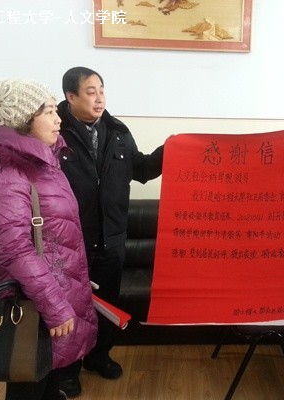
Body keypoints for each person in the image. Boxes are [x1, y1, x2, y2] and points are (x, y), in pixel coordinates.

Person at [0, 79, 98, 400]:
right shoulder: (5, 174)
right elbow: (15, 250)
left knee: (49, 377)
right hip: (32, 302)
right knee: (27, 380)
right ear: (22, 119)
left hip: (55, 293)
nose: (58, 119)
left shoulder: (44, 162)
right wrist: (56, 306)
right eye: (48, 111)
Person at [56, 66, 164, 397]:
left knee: (106, 304)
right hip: (71, 242)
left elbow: (141, 169)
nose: (99, 97)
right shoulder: (54, 133)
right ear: (71, 96)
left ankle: (99, 356)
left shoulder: (117, 132)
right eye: (91, 92)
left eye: (102, 90)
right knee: (70, 308)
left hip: (111, 240)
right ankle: (68, 370)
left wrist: (170, 151)